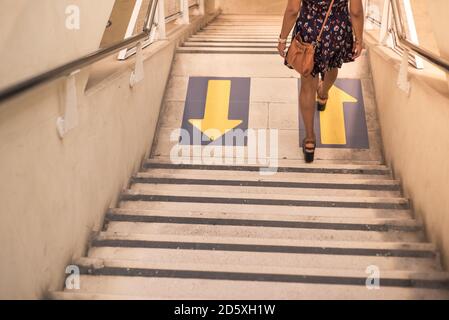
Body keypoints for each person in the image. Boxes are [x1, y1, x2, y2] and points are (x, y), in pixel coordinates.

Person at [278, 0, 364, 163]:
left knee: (307, 84)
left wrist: (282, 39)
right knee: (332, 66)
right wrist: (359, 39)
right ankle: (323, 93)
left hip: (309, 31)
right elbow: (356, 11)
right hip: (337, 31)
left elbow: (292, 9)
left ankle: (310, 139)